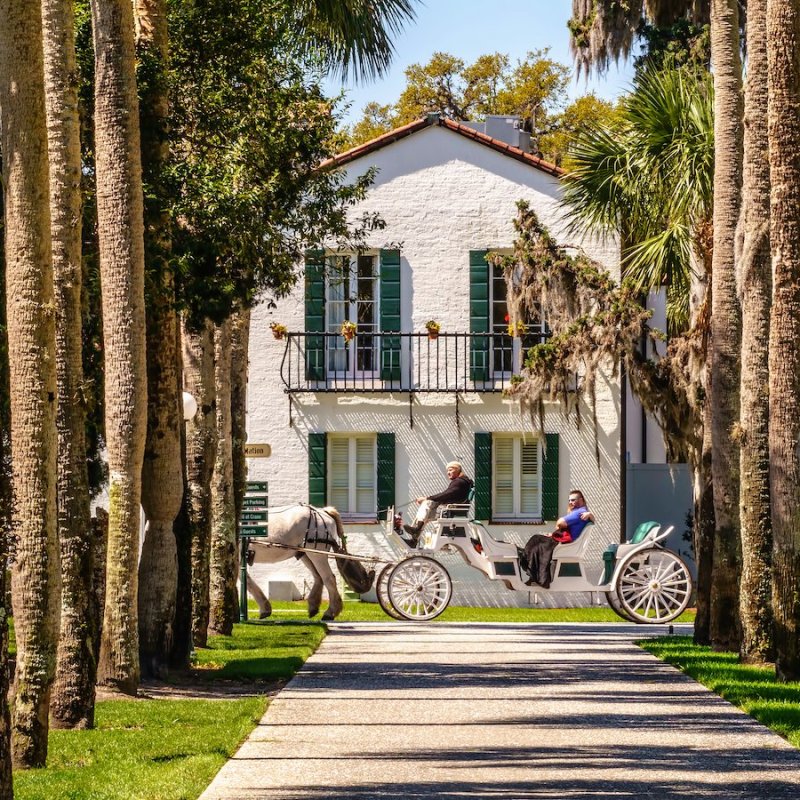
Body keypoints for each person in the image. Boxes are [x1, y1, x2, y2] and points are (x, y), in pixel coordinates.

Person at [519, 489, 594, 588]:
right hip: (567, 542)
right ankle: (533, 573)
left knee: (536, 539)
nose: (570, 502)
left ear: (581, 500)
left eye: (573, 500)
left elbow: (560, 523)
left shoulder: (579, 513)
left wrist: (562, 523)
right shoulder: (582, 512)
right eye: (569, 500)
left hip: (567, 544)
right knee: (537, 540)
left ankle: (532, 569)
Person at [400, 461, 474, 544]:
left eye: (450, 470)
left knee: (427, 504)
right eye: (447, 471)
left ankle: (416, 533)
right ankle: (415, 535)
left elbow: (446, 494)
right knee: (426, 511)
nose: (448, 473)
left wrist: (427, 498)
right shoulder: (463, 481)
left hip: (451, 512)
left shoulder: (459, 482)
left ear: (457, 470)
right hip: (452, 510)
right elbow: (449, 496)